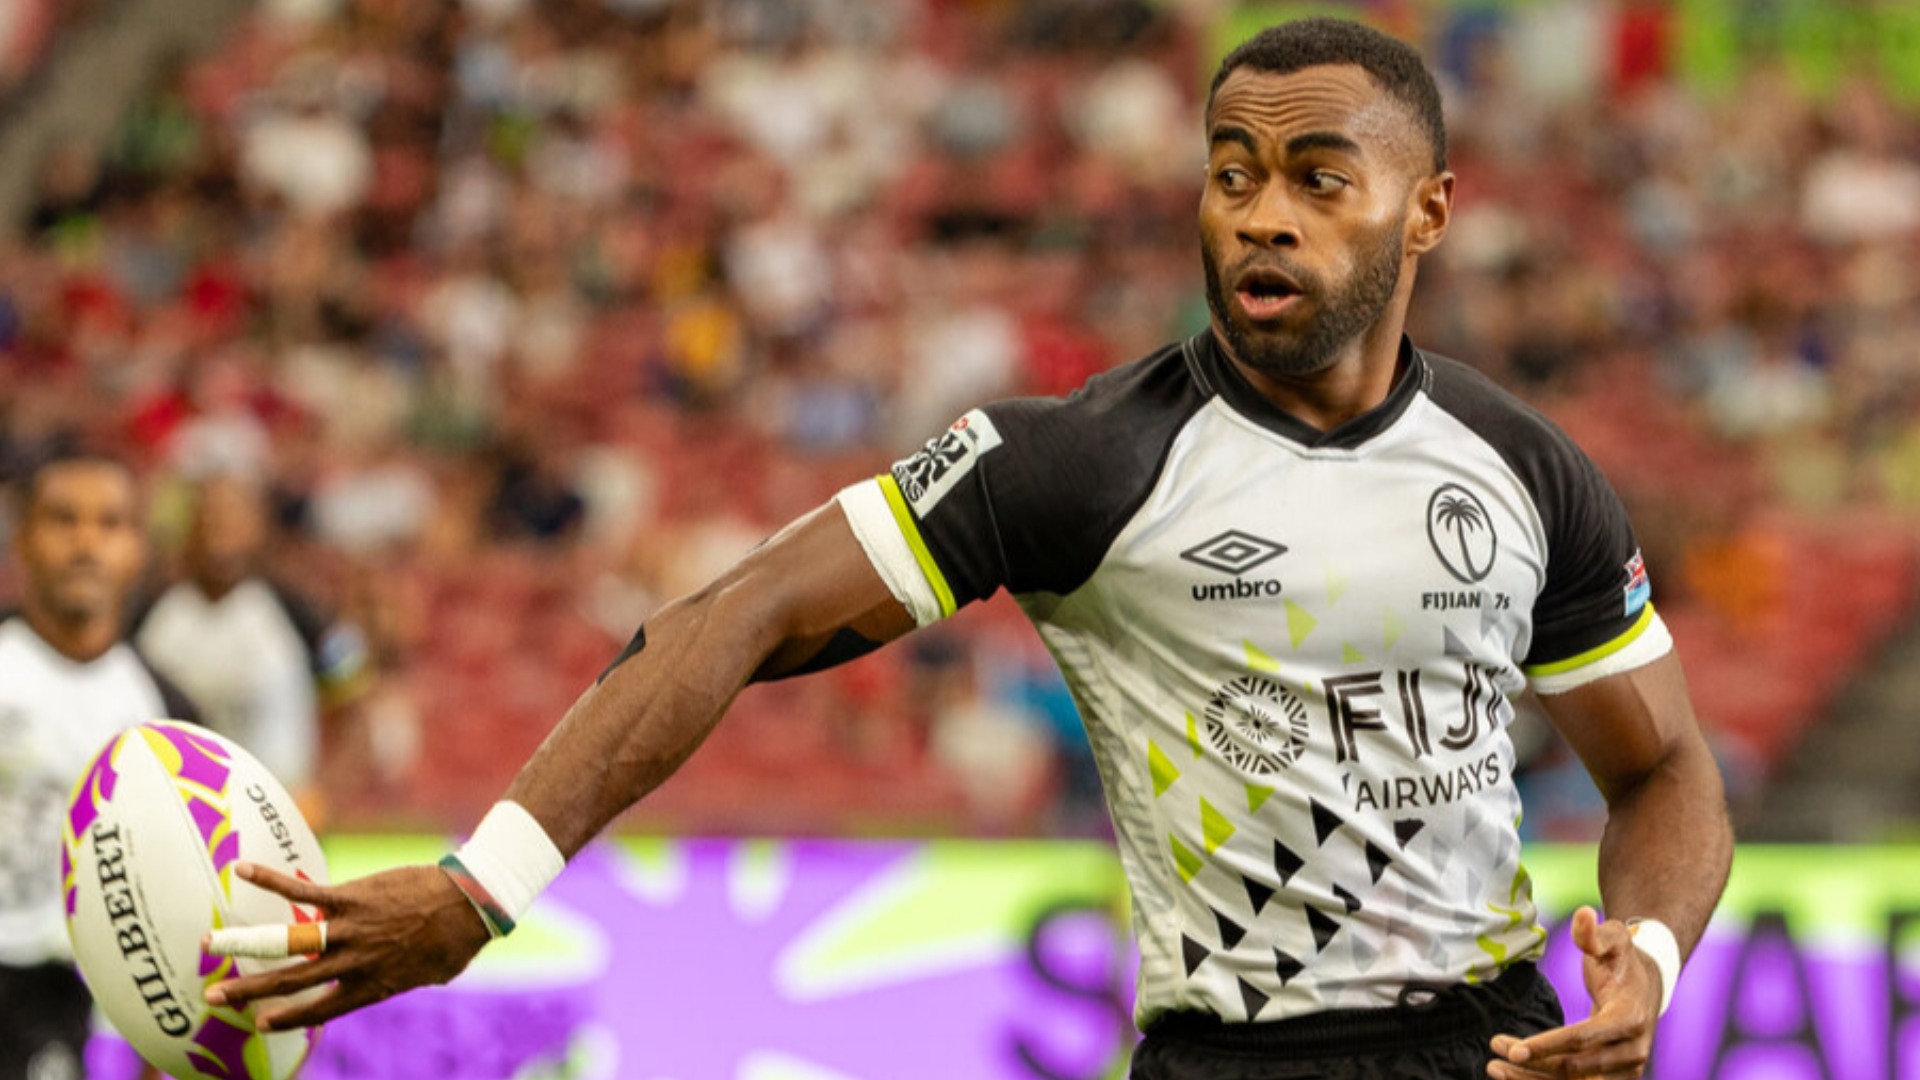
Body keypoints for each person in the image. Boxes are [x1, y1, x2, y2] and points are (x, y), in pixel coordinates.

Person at [207, 19, 1732, 1080]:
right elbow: (736, 613)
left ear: (1430, 213)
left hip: (1502, 1050)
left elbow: (1664, 768)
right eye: (1232, 172)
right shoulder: (1084, 463)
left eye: (1318, 180)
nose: (1262, 216)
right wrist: (482, 886)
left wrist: (1652, 961)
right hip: (1233, 1061)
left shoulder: (1527, 473)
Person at [0, 451, 196, 1080]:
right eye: (64, 519)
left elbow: (179, 899)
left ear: (138, 549)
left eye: (110, 523)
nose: (86, 543)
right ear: (23, 539)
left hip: (52, 998)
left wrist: (159, 1056)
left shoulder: (167, 717)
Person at [133, 474, 367, 820]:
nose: (218, 531)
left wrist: (324, 787)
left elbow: (351, 689)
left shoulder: (298, 609)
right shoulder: (152, 613)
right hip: (175, 814)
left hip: (277, 812)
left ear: (257, 527)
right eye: (208, 518)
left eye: (232, 518)